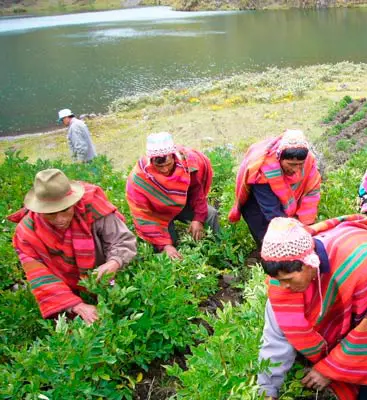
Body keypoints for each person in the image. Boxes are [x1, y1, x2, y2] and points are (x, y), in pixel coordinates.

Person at [257, 215, 367, 400]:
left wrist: (328, 370)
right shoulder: (283, 285)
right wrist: (267, 391)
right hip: (361, 298)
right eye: (279, 281)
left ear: (310, 263)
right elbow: (274, 340)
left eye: (288, 280)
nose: (284, 287)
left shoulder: (359, 271)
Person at [9, 169, 136, 324]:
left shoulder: (92, 206)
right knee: (74, 325)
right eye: (51, 214)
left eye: (65, 210)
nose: (60, 219)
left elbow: (121, 239)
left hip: (102, 266)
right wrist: (76, 305)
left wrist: (114, 262)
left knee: (119, 308)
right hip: (62, 279)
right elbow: (40, 276)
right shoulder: (26, 232)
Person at [126, 132, 219, 259]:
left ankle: (219, 249)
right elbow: (143, 214)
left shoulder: (186, 163)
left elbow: (196, 192)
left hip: (182, 204)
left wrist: (198, 219)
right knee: (170, 246)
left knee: (211, 214)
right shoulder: (139, 179)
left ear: (173, 157)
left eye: (168, 164)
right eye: (159, 166)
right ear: (151, 161)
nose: (165, 170)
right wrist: (164, 245)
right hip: (158, 213)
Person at [228, 129, 321, 248]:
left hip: (286, 200)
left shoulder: (309, 162)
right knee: (271, 243)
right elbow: (272, 212)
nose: (296, 169)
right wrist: (290, 234)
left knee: (300, 241)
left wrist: (306, 228)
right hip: (257, 204)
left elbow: (311, 196)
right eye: (291, 165)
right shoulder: (263, 169)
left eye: (300, 165)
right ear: (279, 159)